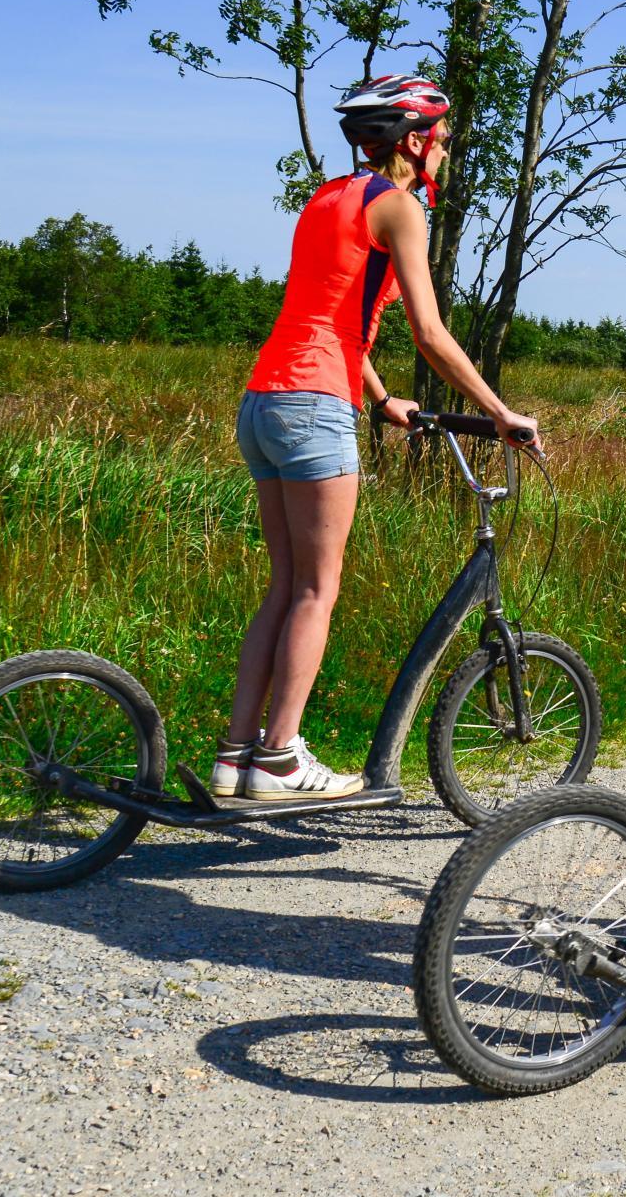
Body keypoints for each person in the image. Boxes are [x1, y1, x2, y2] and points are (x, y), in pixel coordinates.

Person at [217, 75, 539, 801]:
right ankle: (279, 758)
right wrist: (497, 410)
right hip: (312, 406)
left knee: (282, 586)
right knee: (316, 588)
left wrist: (383, 397)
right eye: (445, 138)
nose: (448, 151)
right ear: (416, 141)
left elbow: (330, 313)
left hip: (264, 400)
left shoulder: (328, 198)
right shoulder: (402, 209)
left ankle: (237, 754)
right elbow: (429, 333)